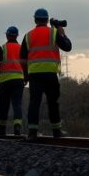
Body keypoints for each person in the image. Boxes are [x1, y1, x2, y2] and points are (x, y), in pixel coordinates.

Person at [20, 8, 72, 140]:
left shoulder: (28, 35)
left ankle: (32, 132)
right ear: (47, 20)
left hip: (35, 75)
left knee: (34, 102)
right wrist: (63, 34)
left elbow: (22, 60)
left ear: (35, 20)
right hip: (50, 74)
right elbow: (67, 47)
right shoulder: (53, 33)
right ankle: (56, 131)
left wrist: (25, 76)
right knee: (53, 102)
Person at [0, 26, 24, 136]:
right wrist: (26, 78)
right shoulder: (21, 48)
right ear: (17, 36)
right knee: (17, 104)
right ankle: (17, 128)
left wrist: (2, 64)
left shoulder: (3, 48)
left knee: (4, 105)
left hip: (5, 81)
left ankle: (2, 130)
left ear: (7, 35)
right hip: (19, 80)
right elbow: (26, 64)